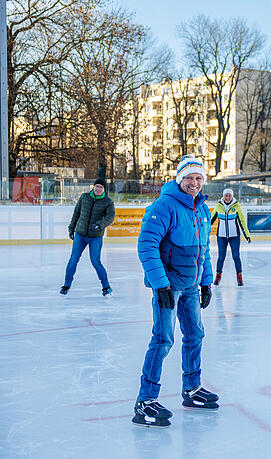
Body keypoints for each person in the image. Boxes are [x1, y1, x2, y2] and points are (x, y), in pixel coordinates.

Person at [133, 156, 218, 427]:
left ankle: (192, 389)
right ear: (179, 179)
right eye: (189, 178)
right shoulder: (164, 206)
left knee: (195, 334)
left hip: (191, 286)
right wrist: (160, 285)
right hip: (169, 287)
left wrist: (206, 282)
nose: (194, 183)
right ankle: (144, 401)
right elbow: (146, 245)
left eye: (198, 178)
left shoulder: (201, 209)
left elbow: (202, 250)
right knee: (163, 339)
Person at [60, 178, 116, 296]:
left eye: (101, 187)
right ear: (93, 187)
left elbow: (110, 218)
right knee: (73, 259)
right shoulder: (84, 197)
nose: (98, 189)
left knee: (95, 261)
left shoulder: (108, 202)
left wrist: (99, 225)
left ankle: (106, 286)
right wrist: (71, 229)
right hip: (80, 234)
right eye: (97, 186)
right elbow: (76, 213)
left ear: (104, 189)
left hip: (95, 236)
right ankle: (66, 285)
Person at [211, 188, 251, 286]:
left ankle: (239, 277)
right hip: (221, 236)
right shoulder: (219, 206)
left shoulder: (237, 206)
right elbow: (210, 220)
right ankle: (218, 276)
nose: (228, 197)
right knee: (221, 257)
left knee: (236, 256)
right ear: (223, 196)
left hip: (234, 236)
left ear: (232, 196)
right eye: (226, 195)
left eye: (229, 196)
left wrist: (247, 235)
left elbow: (242, 221)